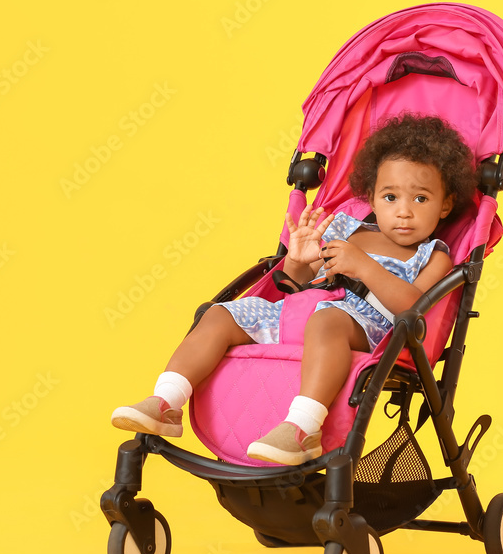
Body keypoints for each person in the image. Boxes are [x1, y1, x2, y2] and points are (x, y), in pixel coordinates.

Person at [111, 114, 477, 465]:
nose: (404, 212)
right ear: (371, 197)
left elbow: (414, 308)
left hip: (364, 327)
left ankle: (301, 428)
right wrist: (298, 260)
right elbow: (298, 285)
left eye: (421, 199)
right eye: (390, 197)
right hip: (298, 312)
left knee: (327, 320)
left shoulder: (433, 256)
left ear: (445, 204)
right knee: (219, 314)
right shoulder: (345, 229)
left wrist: (364, 267)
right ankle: (166, 400)